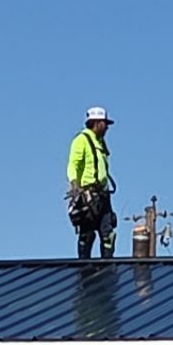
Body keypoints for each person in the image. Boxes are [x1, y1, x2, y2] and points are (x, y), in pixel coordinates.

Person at [65, 106, 117, 259]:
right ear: (96, 123)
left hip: (103, 194)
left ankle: (107, 267)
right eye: (104, 123)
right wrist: (74, 184)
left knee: (108, 234)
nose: (107, 127)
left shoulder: (100, 142)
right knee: (87, 234)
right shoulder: (81, 140)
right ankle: (83, 267)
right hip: (88, 196)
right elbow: (73, 164)